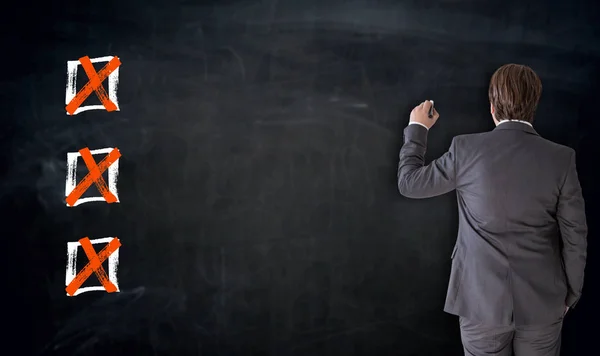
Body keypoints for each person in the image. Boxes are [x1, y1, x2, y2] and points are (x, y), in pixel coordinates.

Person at [396, 64, 587, 356]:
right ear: (535, 104)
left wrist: (418, 128)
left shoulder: (465, 150)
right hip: (544, 304)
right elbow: (576, 235)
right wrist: (570, 294)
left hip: (479, 304)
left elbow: (409, 183)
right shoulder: (561, 158)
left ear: (492, 106)